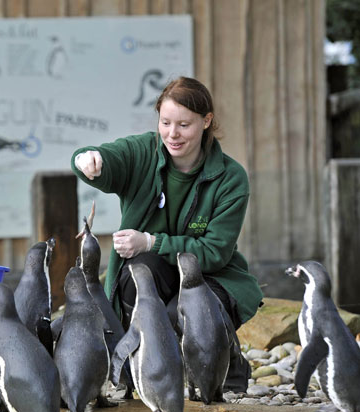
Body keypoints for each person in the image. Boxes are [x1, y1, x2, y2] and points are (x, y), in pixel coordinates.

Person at [70, 76, 263, 392]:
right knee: (137, 274)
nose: (172, 134)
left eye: (184, 125)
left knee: (183, 313)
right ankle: (142, 369)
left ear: (206, 121)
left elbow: (214, 252)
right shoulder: (144, 152)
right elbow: (110, 158)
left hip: (208, 276)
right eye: (166, 122)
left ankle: (228, 368)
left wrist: (151, 241)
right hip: (159, 273)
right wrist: (88, 159)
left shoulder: (230, 178)